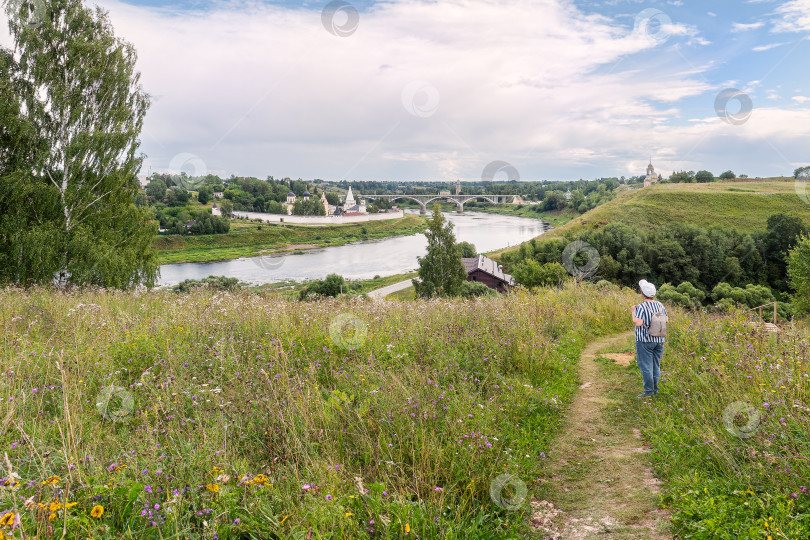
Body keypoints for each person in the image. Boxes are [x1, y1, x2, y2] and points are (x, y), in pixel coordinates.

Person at [631, 279, 668, 398]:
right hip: (659, 340)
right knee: (655, 365)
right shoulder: (660, 305)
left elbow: (637, 322)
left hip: (645, 340)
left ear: (642, 293)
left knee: (646, 366)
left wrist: (633, 312)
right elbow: (666, 319)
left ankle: (648, 391)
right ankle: (655, 389)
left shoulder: (641, 307)